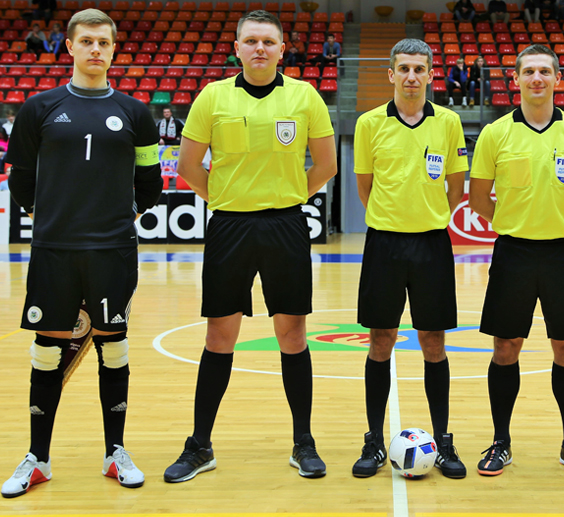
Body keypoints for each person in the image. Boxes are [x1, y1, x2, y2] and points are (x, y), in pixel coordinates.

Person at [163, 9, 337, 483]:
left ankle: (303, 442)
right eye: (251, 41)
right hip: (229, 227)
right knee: (219, 337)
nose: (259, 48)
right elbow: (188, 165)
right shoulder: (212, 96)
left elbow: (325, 165)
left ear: (283, 50)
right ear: (236, 48)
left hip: (286, 225)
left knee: (292, 336)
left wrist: (289, 197)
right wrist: (224, 197)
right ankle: (200, 445)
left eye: (268, 42)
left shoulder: (305, 96)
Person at [0, 8, 163, 498]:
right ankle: (39, 459)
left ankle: (115, 454)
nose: (96, 49)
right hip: (54, 249)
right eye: (87, 41)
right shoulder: (39, 108)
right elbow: (20, 178)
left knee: (113, 347)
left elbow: (151, 183)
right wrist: (52, 217)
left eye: (104, 42)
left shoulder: (136, 112)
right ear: (69, 46)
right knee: (47, 352)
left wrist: (117, 217)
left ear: (114, 49)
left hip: (113, 249)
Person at [468, 44, 564, 477]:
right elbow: (478, 199)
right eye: (528, 71)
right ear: (515, 79)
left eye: (544, 71)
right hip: (513, 251)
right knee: (506, 347)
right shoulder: (496, 133)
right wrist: (518, 222)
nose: (536, 78)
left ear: (556, 79)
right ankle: (501, 442)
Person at [351, 38, 468, 480]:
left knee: (433, 343)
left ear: (431, 74)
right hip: (384, 244)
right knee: (380, 341)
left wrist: (427, 214)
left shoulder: (450, 122)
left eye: (420, 69)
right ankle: (374, 442)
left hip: (432, 244)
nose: (412, 76)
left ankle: (443, 440)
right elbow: (365, 187)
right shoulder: (368, 124)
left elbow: (455, 189)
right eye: (404, 68)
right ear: (391, 74)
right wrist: (392, 215)